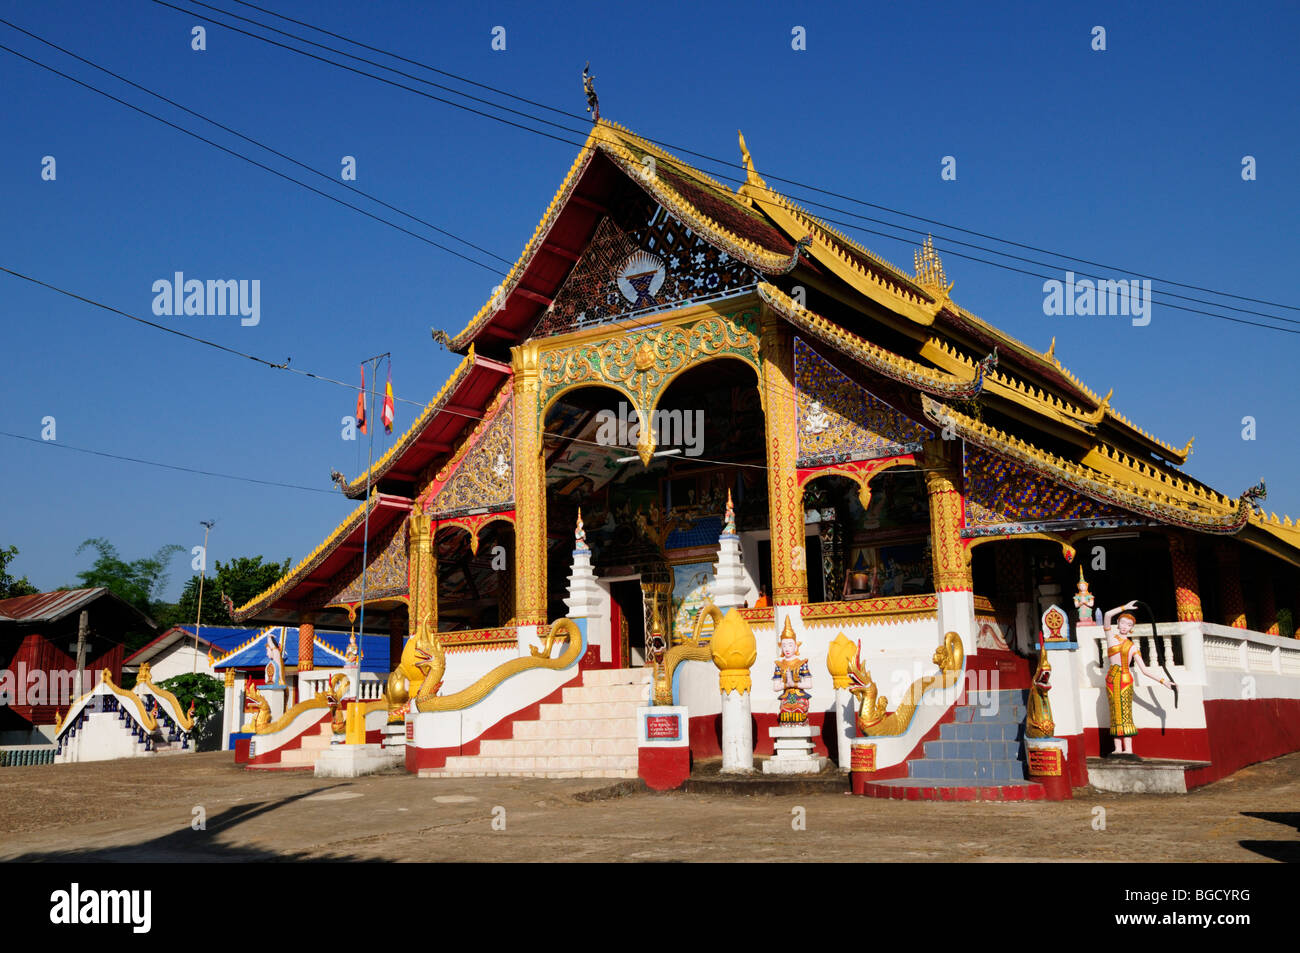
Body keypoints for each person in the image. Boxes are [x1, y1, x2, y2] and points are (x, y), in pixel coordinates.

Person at [1102, 600, 1175, 756]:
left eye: (1128, 624)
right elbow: (1107, 615)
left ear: (1131, 628)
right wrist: (1124, 607)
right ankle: (1117, 748)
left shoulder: (1132, 646)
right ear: (1118, 623)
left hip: (1125, 680)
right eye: (1122, 622)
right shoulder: (1111, 638)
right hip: (1111, 680)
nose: (1124, 626)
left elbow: (1144, 670)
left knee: (1126, 712)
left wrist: (1164, 681)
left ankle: (1128, 749)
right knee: (1114, 713)